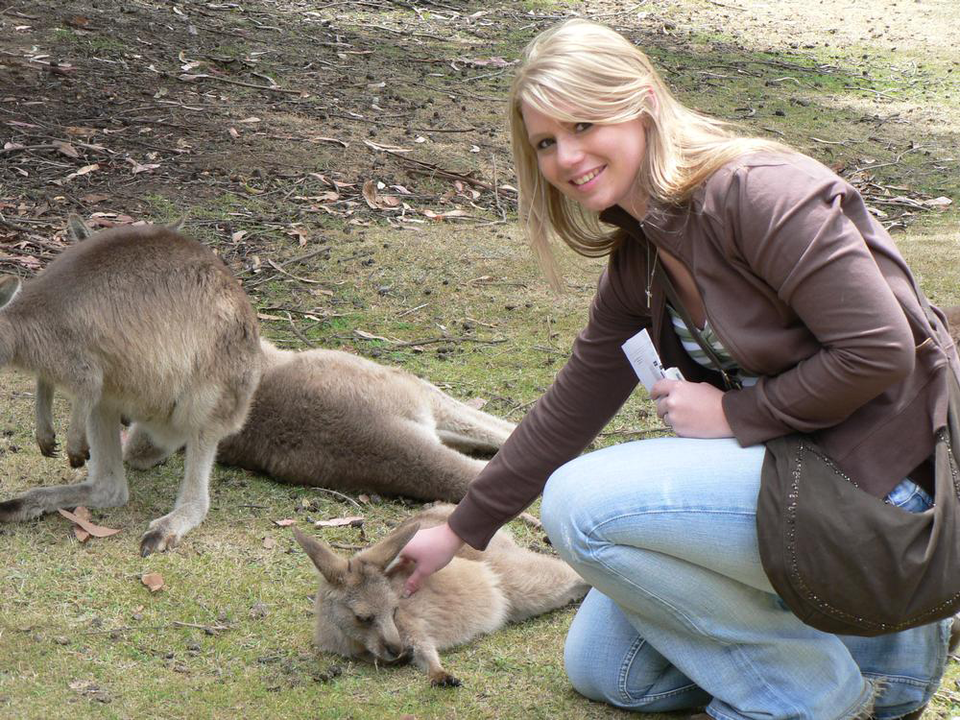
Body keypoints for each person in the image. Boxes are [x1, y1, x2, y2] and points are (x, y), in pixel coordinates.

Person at [398, 18, 960, 720]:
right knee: (611, 673)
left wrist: (733, 415)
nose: (567, 156)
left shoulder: (759, 191)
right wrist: (460, 530)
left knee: (581, 506)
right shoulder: (641, 253)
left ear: (640, 104)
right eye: (546, 142)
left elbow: (880, 349)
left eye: (583, 123)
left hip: (886, 492)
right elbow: (574, 403)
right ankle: (869, 657)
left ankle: (817, 693)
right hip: (795, 472)